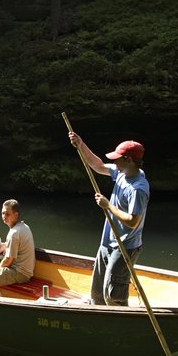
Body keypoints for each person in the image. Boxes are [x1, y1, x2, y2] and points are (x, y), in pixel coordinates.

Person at [69, 131, 149, 306]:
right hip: (108, 240)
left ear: (128, 159)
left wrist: (108, 206)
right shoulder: (122, 172)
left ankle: (120, 320)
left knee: (113, 294)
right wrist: (80, 144)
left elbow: (133, 221)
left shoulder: (138, 188)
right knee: (97, 291)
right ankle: (96, 314)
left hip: (125, 246)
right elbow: (97, 165)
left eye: (118, 158)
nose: (114, 162)